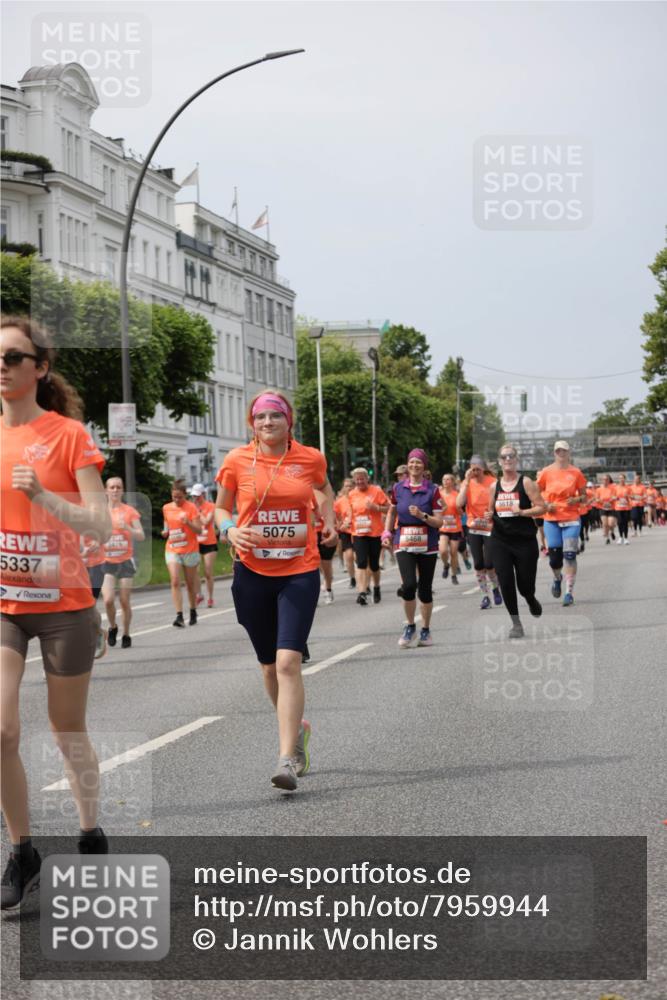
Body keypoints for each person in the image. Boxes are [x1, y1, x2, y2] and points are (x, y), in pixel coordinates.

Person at [0, 316, 112, 909]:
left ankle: (90, 831)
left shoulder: (67, 435)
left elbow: (100, 523)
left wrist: (43, 497)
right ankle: (22, 850)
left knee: (68, 731)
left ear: (39, 368)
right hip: (5, 606)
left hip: (66, 603)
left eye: (13, 357)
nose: (1, 366)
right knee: (0, 730)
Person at [214, 390, 337, 792]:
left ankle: (286, 758)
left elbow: (323, 488)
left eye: (275, 416)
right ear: (253, 423)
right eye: (260, 417)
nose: (267, 423)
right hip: (251, 571)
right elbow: (220, 508)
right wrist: (229, 528)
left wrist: (328, 517)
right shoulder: (236, 461)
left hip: (299, 570)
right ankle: (297, 728)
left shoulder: (309, 458)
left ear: (289, 421)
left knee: (288, 663)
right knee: (268, 666)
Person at [383, 450, 444, 647]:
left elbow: (439, 522)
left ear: (424, 466)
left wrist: (422, 515)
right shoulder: (398, 488)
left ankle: (425, 630)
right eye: (411, 462)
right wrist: (387, 533)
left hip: (428, 543)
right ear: (407, 465)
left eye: (418, 462)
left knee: (425, 590)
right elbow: (392, 512)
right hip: (404, 541)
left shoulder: (433, 490)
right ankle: (410, 626)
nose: (414, 465)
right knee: (409, 585)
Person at [488, 444, 546, 638]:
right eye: (504, 457)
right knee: (505, 581)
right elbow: (490, 512)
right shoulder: (493, 486)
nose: (507, 460)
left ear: (516, 459)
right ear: (499, 461)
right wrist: (488, 515)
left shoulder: (526, 482)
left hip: (524, 540)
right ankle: (516, 623)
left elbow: (541, 507)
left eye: (511, 456)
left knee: (525, 584)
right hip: (500, 540)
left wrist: (522, 512)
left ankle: (529, 597)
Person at [536, 441, 587, 606]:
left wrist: (576, 499)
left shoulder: (576, 472)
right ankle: (557, 578)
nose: (561, 453)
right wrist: (545, 505)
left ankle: (569, 593)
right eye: (558, 451)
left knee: (570, 554)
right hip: (552, 519)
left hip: (571, 518)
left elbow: (584, 496)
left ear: (568, 452)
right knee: (555, 559)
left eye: (564, 450)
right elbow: (536, 493)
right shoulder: (546, 472)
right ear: (554, 453)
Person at [101, 477, 144, 647]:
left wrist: (128, 528)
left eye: (118, 487)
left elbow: (141, 535)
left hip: (126, 560)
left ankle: (126, 634)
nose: (115, 490)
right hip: (107, 561)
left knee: (124, 601)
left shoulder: (129, 511)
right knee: (108, 600)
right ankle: (113, 627)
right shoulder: (101, 512)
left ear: (122, 491)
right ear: (106, 490)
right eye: (112, 487)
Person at [457, 456, 502, 609]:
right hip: (473, 525)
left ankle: (496, 587)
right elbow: (459, 503)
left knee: (489, 563)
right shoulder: (467, 482)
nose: (475, 471)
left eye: (477, 468)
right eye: (472, 468)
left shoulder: (493, 481)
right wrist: (466, 482)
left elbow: (500, 501)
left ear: (483, 468)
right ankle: (485, 596)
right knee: (478, 563)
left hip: (490, 525)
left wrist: (493, 513)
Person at [162, 479, 202, 627]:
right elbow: (167, 525)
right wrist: (165, 532)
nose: (177, 500)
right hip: (172, 549)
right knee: (175, 580)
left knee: (190, 584)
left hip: (190, 550)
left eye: (179, 497)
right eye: (174, 497)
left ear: (185, 495)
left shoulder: (191, 508)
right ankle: (179, 616)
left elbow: (199, 530)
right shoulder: (166, 508)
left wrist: (188, 523)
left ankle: (193, 611)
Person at [348, 468, 390, 606]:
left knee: (374, 565)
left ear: (367, 479)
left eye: (362, 479)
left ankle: (376, 587)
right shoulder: (352, 494)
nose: (360, 481)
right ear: (354, 480)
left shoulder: (376, 491)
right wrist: (347, 521)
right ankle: (362, 592)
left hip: (374, 533)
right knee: (360, 563)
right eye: (357, 479)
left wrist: (376, 507)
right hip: (359, 533)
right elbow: (350, 513)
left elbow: (389, 508)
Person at [189, 483, 218, 608]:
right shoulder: (191, 507)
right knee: (195, 571)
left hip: (209, 542)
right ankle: (199, 594)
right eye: (194, 496)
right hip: (196, 542)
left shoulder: (210, 506)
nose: (195, 499)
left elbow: (206, 521)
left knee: (207, 572)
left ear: (203, 495)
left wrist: (198, 512)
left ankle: (210, 597)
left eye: (198, 496)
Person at [438, 473, 462, 584]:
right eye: (444, 479)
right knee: (443, 551)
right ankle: (446, 565)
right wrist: (443, 509)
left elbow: (461, 513)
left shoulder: (457, 495)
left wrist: (458, 509)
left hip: (455, 527)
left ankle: (453, 575)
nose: (446, 481)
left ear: (452, 482)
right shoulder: (438, 495)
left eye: (448, 480)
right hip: (443, 527)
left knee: (453, 552)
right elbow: (436, 512)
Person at [333, 478, 356, 588]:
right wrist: (340, 525)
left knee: (359, 557)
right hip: (346, 532)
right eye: (346, 486)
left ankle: (365, 583)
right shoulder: (340, 502)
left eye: (351, 485)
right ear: (343, 487)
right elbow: (336, 517)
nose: (349, 488)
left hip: (359, 531)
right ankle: (352, 578)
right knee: (349, 556)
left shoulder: (358, 498)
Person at [596, 474, 617, 545]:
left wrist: (609, 501)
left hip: (611, 508)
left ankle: (612, 532)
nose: (605, 481)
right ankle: (607, 538)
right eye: (604, 479)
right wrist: (603, 502)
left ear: (609, 480)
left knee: (610, 524)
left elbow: (614, 497)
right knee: (605, 524)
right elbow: (596, 499)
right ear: (602, 480)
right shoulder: (599, 489)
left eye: (607, 479)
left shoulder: (613, 488)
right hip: (602, 508)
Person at [613, 473, 632, 545]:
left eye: (622, 478)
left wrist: (628, 496)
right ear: (618, 479)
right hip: (618, 507)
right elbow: (612, 497)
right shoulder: (615, 488)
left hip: (626, 507)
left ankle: (626, 538)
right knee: (620, 522)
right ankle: (621, 537)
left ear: (625, 479)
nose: (621, 479)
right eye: (620, 478)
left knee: (625, 523)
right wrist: (616, 498)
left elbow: (632, 496)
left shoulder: (628, 488)